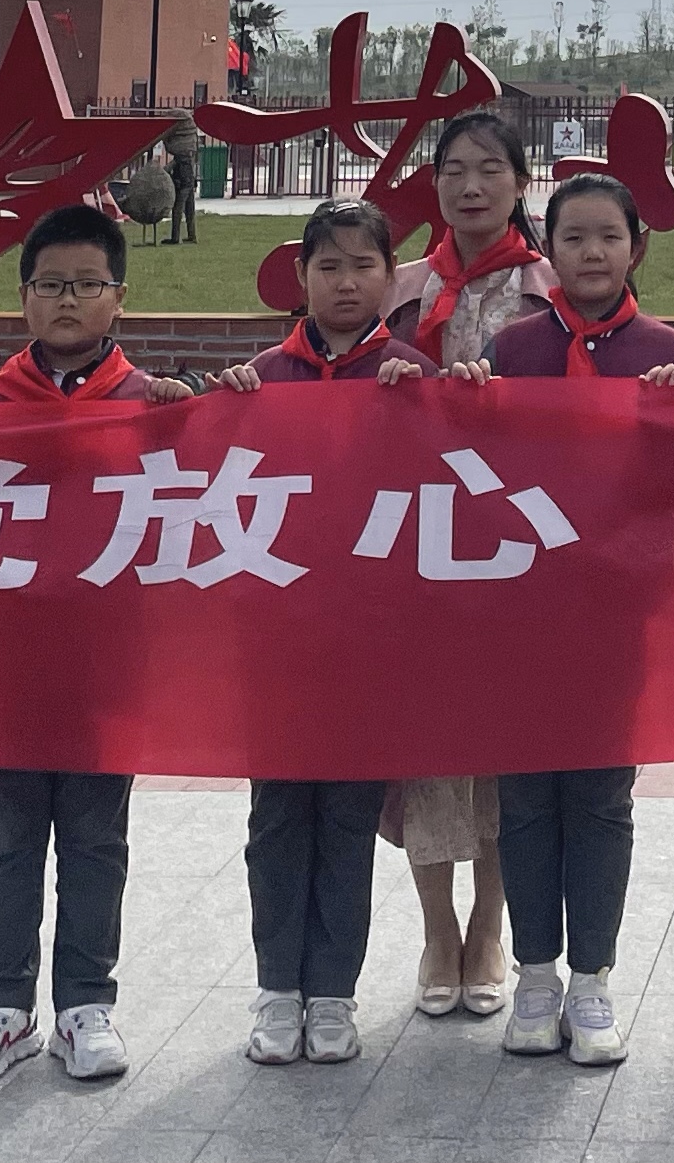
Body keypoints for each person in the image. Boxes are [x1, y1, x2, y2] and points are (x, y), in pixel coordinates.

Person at [0, 204, 178, 1087]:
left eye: (87, 284)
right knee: (8, 839)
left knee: (96, 839)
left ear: (118, 299)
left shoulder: (152, 406)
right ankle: (3, 1007)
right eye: (51, 284)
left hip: (105, 666)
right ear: (23, 299)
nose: (67, 300)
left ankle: (86, 1004)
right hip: (7, 667)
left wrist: (197, 423)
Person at [478, 172, 674, 1067]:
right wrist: (453, 396)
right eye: (573, 239)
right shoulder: (511, 350)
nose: (593, 254)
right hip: (523, 612)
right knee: (527, 801)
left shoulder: (667, 349)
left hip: (617, 616)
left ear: (636, 248)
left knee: (602, 800)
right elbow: (469, 468)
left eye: (610, 237)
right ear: (547, 250)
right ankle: (536, 973)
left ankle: (596, 979)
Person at [218, 199, 438, 1064]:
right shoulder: (261, 379)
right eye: (329, 267)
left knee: (347, 821)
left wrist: (430, 410)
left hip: (368, 650)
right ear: (300, 278)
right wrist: (218, 407)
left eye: (364, 266)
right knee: (276, 821)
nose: (347, 283)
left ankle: (335, 994)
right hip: (276, 651)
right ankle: (279, 990)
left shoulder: (412, 375)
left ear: (392, 277)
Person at [376, 111, 544, 1024]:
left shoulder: (555, 290)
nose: (470, 185)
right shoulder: (396, 287)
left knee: (508, 747)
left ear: (521, 182)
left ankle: (491, 925)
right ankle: (437, 929)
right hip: (418, 545)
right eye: (454, 170)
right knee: (429, 748)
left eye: (490, 169)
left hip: (525, 547)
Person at [164, 121, 204, 245]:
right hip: (189, 182)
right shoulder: (188, 156)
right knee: (189, 210)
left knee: (178, 210)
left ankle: (175, 238)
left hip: (183, 184)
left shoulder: (181, 157)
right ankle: (192, 236)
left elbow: (169, 167)